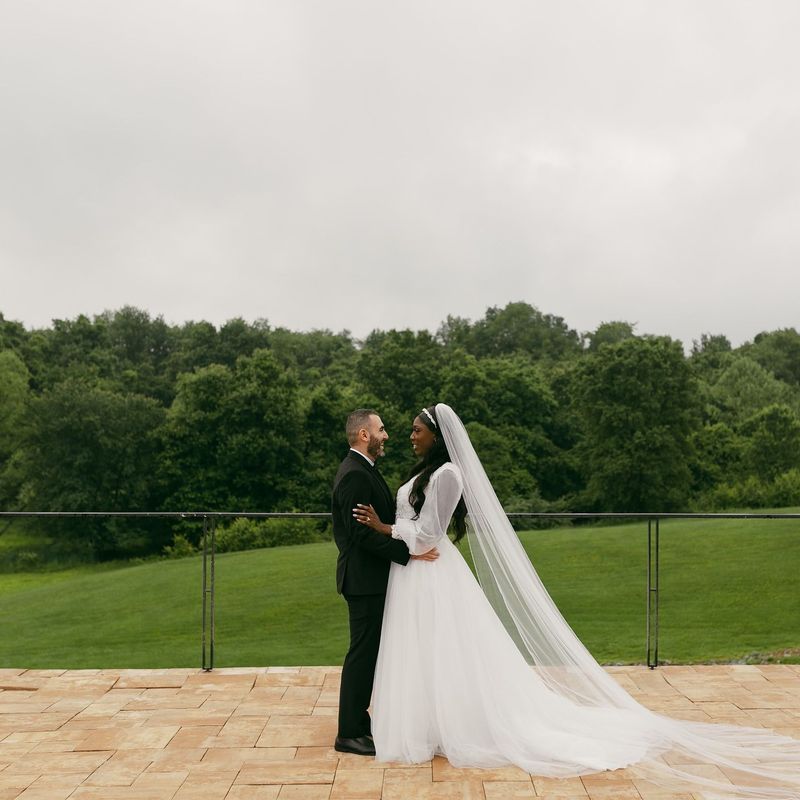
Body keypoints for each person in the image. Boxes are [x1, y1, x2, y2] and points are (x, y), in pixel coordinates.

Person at [353, 403, 800, 799]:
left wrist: (384, 529)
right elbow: (420, 530)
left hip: (433, 572)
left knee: (448, 648)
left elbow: (431, 534)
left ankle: (458, 725)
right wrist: (395, 532)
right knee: (424, 650)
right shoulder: (422, 474)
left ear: (438, 435)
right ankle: (427, 723)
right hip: (414, 572)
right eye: (409, 430)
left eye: (416, 429)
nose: (410, 435)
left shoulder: (449, 474)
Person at [331, 408, 439, 757]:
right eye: (381, 429)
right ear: (364, 435)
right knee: (362, 655)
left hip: (372, 578)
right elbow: (361, 535)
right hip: (363, 581)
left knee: (370, 653)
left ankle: (360, 724)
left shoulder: (365, 470)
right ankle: (348, 733)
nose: (387, 435)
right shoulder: (354, 475)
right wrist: (408, 554)